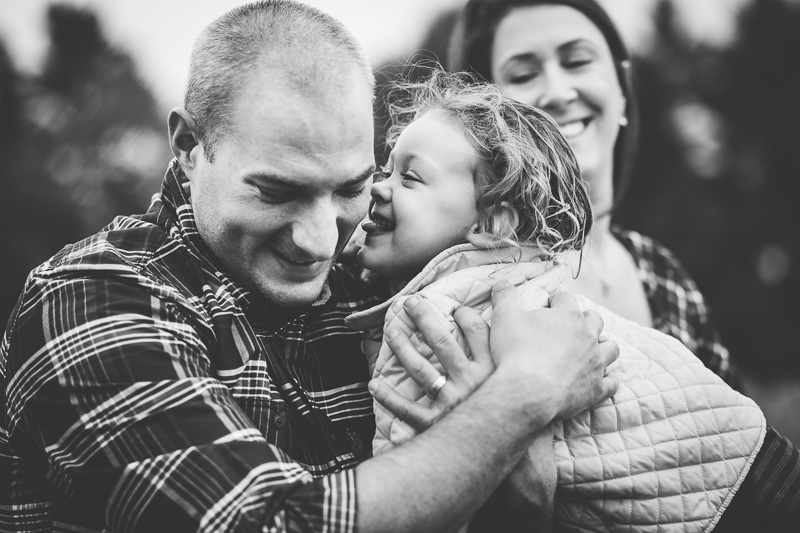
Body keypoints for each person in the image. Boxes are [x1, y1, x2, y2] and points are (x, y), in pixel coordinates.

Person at [0, 2, 622, 532]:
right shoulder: (92, 299)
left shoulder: (379, 284)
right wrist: (524, 397)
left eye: (351, 187)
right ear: (190, 146)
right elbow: (274, 523)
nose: (321, 241)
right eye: (277, 191)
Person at [346, 69, 800, 532]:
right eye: (386, 169)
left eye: (410, 178)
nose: (379, 186)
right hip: (758, 468)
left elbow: (406, 505)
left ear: (491, 225)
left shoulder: (432, 316)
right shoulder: (531, 280)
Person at [447, 0, 740, 389]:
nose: (557, 92)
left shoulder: (664, 276)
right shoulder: (479, 279)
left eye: (577, 61)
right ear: (487, 117)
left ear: (621, 89)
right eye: (523, 74)